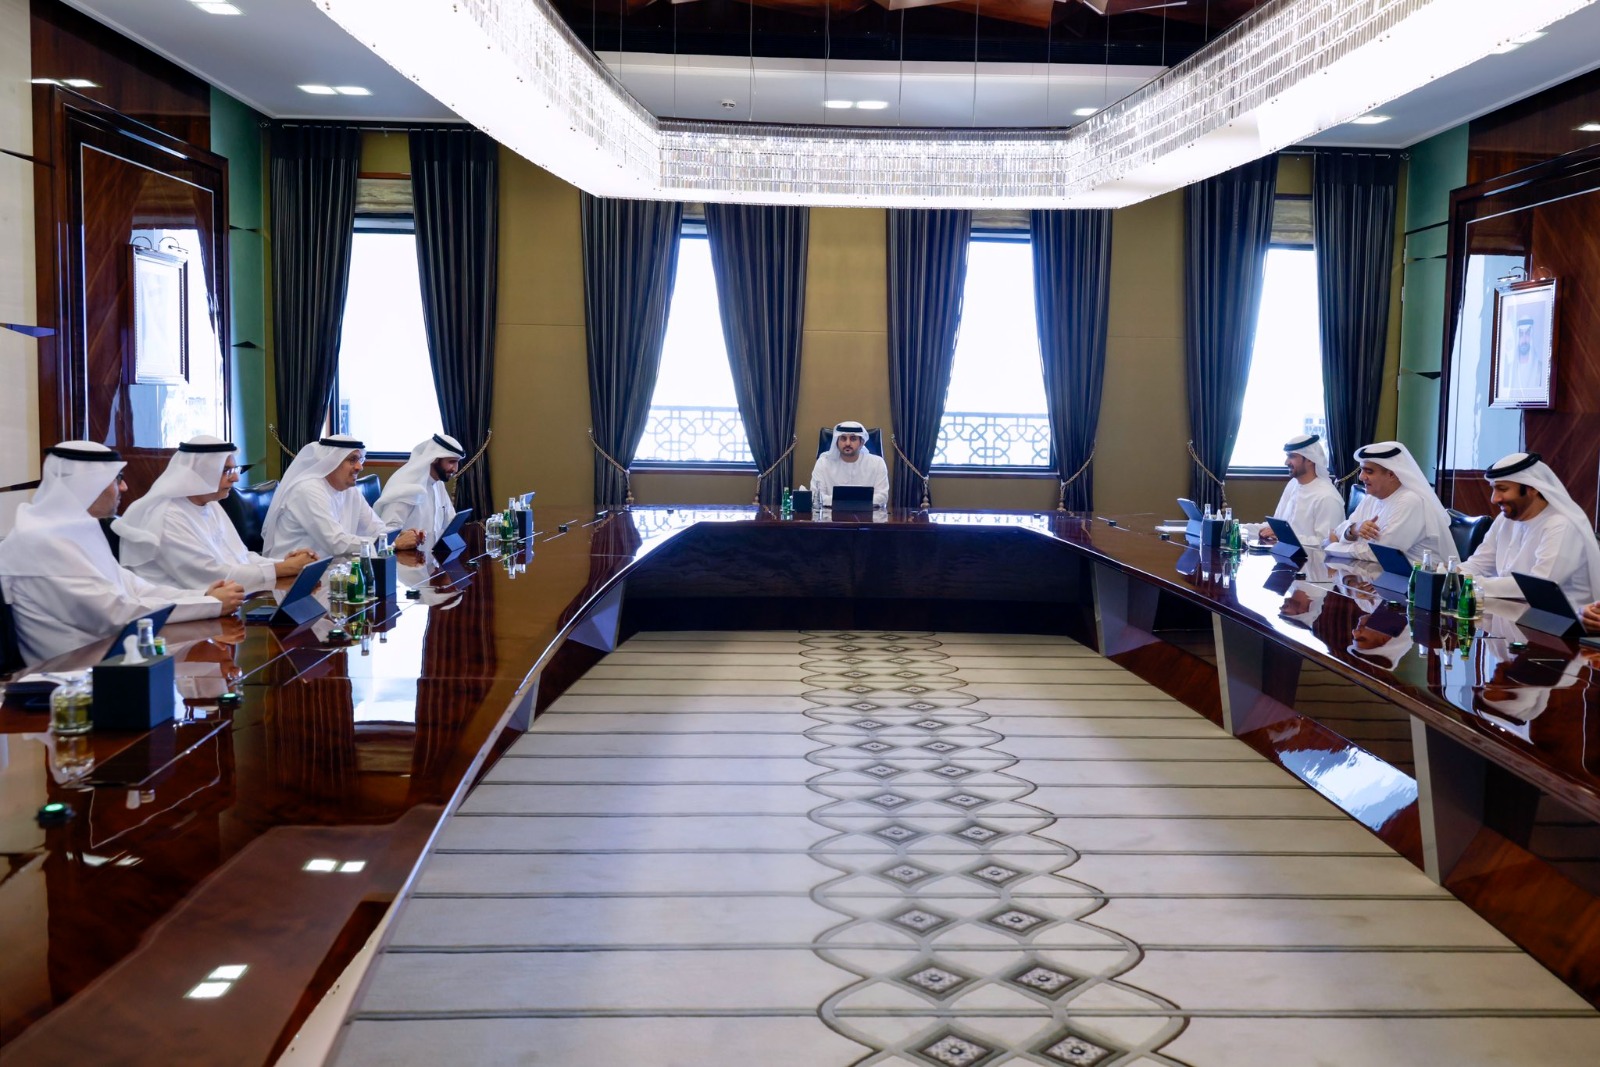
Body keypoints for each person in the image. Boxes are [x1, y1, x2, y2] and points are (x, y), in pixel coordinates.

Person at [0, 442, 246, 665]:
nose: (124, 487)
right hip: (73, 674)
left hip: (115, 656)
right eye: (117, 479)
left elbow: (135, 587)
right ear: (89, 484)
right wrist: (211, 604)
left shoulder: (75, 528)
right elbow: (118, 613)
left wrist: (204, 596)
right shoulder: (42, 539)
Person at [112, 436, 318, 593]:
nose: (235, 478)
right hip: (173, 620)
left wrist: (283, 564)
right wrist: (284, 568)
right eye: (226, 471)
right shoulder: (165, 517)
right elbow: (211, 576)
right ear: (199, 473)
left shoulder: (210, 505)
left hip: (218, 605)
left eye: (235, 469)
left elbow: (241, 557)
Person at [1460, 452, 1600, 608]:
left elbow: (1537, 587)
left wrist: (1471, 583)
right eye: (1493, 489)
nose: (1494, 499)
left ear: (1532, 488)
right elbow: (1479, 564)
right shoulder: (1504, 520)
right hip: (1510, 612)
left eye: (1502, 489)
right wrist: (1453, 574)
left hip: (1558, 619)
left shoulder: (1561, 525)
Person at [262, 435, 422, 559]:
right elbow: (336, 542)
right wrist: (391, 544)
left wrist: (402, 536)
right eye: (352, 460)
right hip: (294, 577)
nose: (359, 467)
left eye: (360, 460)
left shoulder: (349, 490)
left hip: (333, 571)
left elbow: (376, 529)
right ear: (331, 461)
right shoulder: (308, 489)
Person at [1326, 441, 1454, 563]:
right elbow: (1337, 532)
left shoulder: (1410, 501)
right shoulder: (1372, 497)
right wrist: (1354, 529)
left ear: (1391, 474)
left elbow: (1381, 554)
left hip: (1422, 576)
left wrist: (1334, 547)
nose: (1361, 477)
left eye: (1369, 471)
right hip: (1380, 573)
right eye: (1361, 470)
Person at [1253, 433, 1345, 547]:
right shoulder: (1293, 485)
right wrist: (1240, 528)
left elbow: (1327, 543)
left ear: (1310, 459)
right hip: (1285, 554)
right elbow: (1275, 528)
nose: (1286, 462)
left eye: (1292, 456)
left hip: (1311, 558)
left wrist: (1284, 535)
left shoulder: (1327, 497)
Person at [375, 433, 465, 546]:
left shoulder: (438, 483)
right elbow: (387, 535)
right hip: (406, 555)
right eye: (451, 462)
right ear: (435, 459)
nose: (455, 469)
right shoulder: (405, 486)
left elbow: (450, 521)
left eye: (457, 462)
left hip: (432, 553)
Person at [808, 420, 889, 508]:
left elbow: (882, 497)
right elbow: (816, 497)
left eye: (853, 439)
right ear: (836, 442)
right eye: (843, 438)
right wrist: (859, 500)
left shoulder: (877, 463)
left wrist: (840, 500)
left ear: (861, 443)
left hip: (868, 515)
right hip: (830, 514)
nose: (847, 443)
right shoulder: (823, 463)